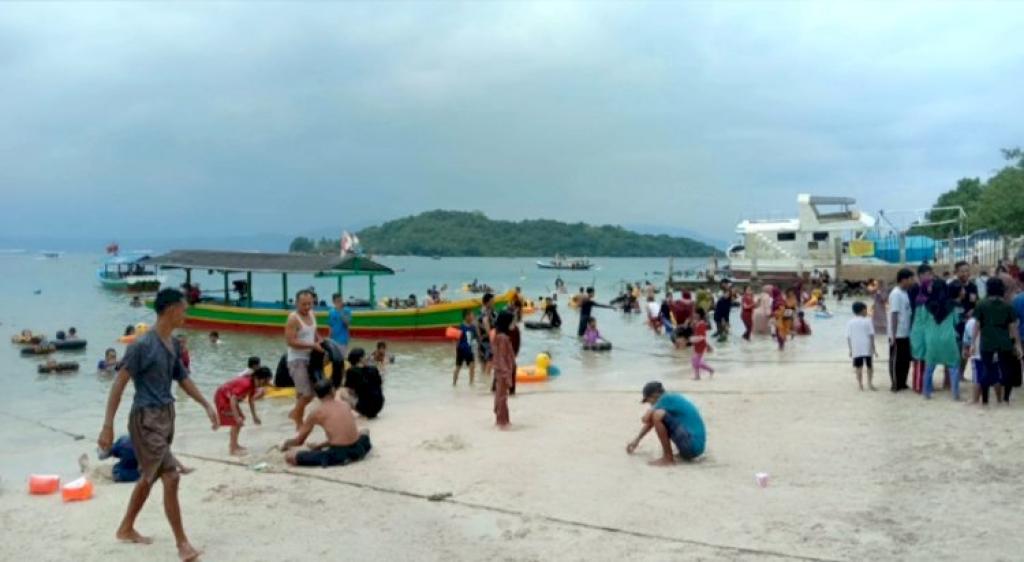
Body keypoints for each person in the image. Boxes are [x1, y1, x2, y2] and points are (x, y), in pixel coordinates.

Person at [96, 288, 217, 562]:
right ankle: (182, 544)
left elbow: (182, 379)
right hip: (145, 419)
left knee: (149, 476)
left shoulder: (174, 345)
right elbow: (119, 384)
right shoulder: (141, 345)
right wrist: (107, 426)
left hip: (166, 416)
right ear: (171, 309)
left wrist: (206, 405)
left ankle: (126, 527)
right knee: (171, 476)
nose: (186, 314)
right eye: (183, 309)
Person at [282, 379, 372, 467]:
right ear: (333, 391)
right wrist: (319, 446)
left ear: (317, 396)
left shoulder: (316, 413)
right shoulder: (345, 404)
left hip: (339, 455)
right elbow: (341, 434)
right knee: (364, 431)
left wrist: (286, 444)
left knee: (289, 457)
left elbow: (299, 441)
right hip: (358, 449)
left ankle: (344, 458)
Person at [626, 381, 706, 466]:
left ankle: (668, 458)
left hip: (691, 444)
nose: (649, 404)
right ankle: (670, 456)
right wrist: (637, 440)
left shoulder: (666, 398)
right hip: (695, 448)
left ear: (655, 395)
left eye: (649, 400)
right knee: (657, 415)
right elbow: (650, 422)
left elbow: (645, 419)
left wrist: (651, 410)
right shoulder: (671, 399)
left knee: (657, 414)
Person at [973, 277, 1023, 404]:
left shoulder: (981, 304)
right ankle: (1005, 399)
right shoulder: (1007, 306)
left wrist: (973, 343)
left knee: (986, 370)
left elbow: (977, 325)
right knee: (1006, 370)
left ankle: (985, 400)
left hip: (987, 341)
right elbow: (1013, 327)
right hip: (1004, 341)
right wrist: (1017, 344)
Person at [285, 289, 324, 429]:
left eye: (310, 304)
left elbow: (314, 332)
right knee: (306, 394)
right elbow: (290, 341)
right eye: (304, 304)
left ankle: (295, 414)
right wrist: (312, 345)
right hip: (296, 360)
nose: (307, 307)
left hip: (310, 358)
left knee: (311, 392)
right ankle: (297, 419)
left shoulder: (312, 314)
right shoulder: (293, 318)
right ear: (296, 303)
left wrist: (321, 342)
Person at [214, 366, 272, 455]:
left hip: (228, 397)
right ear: (257, 378)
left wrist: (255, 417)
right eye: (264, 382)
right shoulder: (246, 384)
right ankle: (232, 449)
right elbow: (233, 399)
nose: (264, 385)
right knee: (236, 421)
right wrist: (236, 417)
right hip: (222, 397)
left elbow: (251, 400)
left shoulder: (253, 385)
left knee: (240, 419)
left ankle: (235, 444)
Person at [888, 268, 915, 392]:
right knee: (896, 360)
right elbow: (894, 314)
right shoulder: (896, 294)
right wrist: (893, 335)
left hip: (906, 333)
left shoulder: (905, 293)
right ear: (904, 279)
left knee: (905, 360)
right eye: (911, 279)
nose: (912, 281)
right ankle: (895, 384)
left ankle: (903, 382)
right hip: (897, 334)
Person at [343, 348, 384, 418]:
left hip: (364, 407)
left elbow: (350, 391)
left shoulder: (350, 371)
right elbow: (380, 384)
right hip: (379, 405)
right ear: (361, 358)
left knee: (342, 393)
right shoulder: (374, 368)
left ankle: (352, 416)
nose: (367, 357)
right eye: (365, 356)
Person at [492, 310, 516, 429]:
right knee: (502, 398)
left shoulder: (500, 336)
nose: (514, 324)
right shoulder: (502, 338)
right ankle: (502, 422)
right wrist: (507, 375)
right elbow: (501, 358)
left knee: (502, 397)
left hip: (501, 372)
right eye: (512, 321)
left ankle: (504, 421)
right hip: (503, 372)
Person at [847, 302, 877, 390]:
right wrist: (874, 348)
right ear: (863, 310)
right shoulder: (868, 320)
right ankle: (870, 384)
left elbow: (848, 337)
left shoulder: (850, 322)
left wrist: (850, 349)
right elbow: (871, 335)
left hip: (856, 348)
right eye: (866, 309)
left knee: (858, 368)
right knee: (870, 366)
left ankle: (860, 385)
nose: (867, 311)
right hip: (867, 347)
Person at [453, 310, 478, 385]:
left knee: (472, 367)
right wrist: (456, 350)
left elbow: (475, 338)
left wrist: (475, 350)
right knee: (458, 367)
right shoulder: (461, 326)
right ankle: (454, 383)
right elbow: (457, 339)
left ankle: (471, 383)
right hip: (461, 349)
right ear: (467, 316)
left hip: (470, 350)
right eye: (471, 315)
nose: (473, 317)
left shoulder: (473, 327)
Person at [689, 308, 714, 380]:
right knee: (695, 360)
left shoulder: (702, 324)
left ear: (699, 315)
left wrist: (692, 339)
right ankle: (698, 375)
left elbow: (702, 336)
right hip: (697, 343)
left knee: (696, 361)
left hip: (701, 344)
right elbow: (695, 332)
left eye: (695, 313)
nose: (694, 314)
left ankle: (710, 370)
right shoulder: (697, 322)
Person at [477, 293, 497, 376]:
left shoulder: (483, 312)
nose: (494, 303)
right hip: (488, 342)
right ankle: (486, 385)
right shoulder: (485, 313)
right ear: (487, 302)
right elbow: (486, 325)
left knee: (483, 367)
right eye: (492, 301)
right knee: (489, 364)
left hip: (482, 342)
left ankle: (482, 385)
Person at [328, 293, 352, 359]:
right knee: (332, 358)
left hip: (343, 340)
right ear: (333, 302)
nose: (340, 303)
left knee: (341, 359)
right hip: (333, 340)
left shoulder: (347, 310)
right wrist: (329, 339)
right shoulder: (331, 312)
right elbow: (330, 326)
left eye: (341, 300)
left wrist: (341, 311)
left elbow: (347, 323)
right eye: (337, 301)